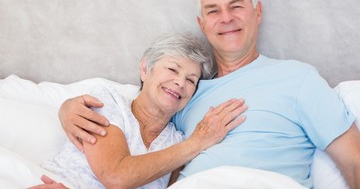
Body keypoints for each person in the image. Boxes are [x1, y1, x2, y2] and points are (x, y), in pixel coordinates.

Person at [58, 0, 360, 189]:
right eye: (213, 11)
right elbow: (137, 129)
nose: (225, 18)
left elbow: (354, 161)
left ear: (257, 12)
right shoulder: (185, 94)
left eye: (236, 6)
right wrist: (68, 108)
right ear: (203, 25)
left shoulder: (298, 78)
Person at [30, 33, 247, 189]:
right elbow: (115, 176)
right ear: (145, 69)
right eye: (172, 69)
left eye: (191, 80)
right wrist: (197, 142)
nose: (180, 83)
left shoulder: (177, 143)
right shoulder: (107, 102)